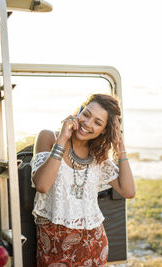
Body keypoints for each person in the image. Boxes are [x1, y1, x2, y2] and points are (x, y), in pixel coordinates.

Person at [31, 93, 135, 266]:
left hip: (94, 243)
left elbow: (128, 191)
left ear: (104, 131)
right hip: (54, 245)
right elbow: (42, 185)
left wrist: (120, 148)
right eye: (86, 114)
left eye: (97, 122)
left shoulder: (98, 156)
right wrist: (63, 139)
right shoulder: (49, 137)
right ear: (79, 111)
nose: (87, 123)